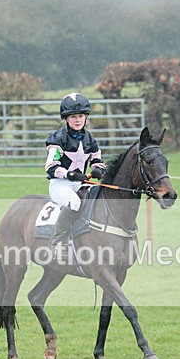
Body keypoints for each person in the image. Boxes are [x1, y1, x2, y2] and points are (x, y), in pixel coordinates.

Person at [45, 92, 106, 247]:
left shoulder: (90, 139)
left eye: (80, 116)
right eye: (73, 116)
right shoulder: (58, 138)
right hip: (60, 184)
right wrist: (70, 175)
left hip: (80, 185)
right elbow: (51, 167)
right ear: (66, 119)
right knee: (74, 203)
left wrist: (99, 169)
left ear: (86, 117)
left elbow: (97, 159)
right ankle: (57, 242)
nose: (77, 120)